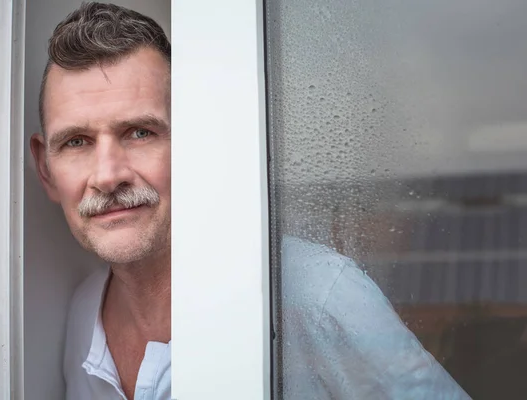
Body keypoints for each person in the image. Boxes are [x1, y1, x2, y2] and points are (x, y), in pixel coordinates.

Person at [31, 2, 470, 400]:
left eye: (140, 132)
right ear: (45, 169)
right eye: (76, 142)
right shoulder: (82, 312)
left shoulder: (312, 292)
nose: (108, 175)